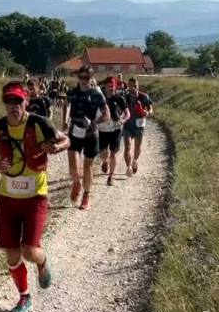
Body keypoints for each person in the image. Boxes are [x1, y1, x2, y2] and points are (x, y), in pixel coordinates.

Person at [0, 81, 69, 312]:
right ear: (4, 104)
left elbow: (65, 139)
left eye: (18, 101)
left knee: (29, 250)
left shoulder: (39, 123)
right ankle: (24, 296)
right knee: (12, 252)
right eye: (9, 101)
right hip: (6, 198)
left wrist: (57, 148)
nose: (13, 106)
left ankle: (42, 261)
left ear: (25, 101)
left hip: (35, 196)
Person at [61, 65, 110, 210]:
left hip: (91, 134)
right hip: (74, 131)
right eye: (80, 77)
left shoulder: (96, 94)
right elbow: (66, 105)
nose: (83, 80)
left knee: (88, 165)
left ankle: (86, 196)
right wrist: (64, 120)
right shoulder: (72, 92)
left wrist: (94, 121)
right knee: (73, 165)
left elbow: (106, 115)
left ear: (91, 78)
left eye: (86, 78)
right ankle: (76, 183)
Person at [98, 76, 128, 186]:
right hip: (102, 129)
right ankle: (104, 161)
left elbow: (127, 113)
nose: (110, 88)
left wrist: (122, 120)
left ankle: (111, 176)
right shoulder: (100, 99)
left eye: (112, 86)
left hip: (116, 129)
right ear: (105, 87)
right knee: (103, 152)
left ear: (115, 87)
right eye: (108, 86)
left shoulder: (120, 99)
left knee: (113, 152)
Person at [122, 76, 154, 175]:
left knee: (137, 145)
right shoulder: (124, 97)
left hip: (139, 125)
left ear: (138, 86)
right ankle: (128, 168)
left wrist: (147, 113)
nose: (133, 88)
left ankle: (134, 161)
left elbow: (150, 108)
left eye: (135, 86)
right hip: (127, 125)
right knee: (127, 145)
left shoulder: (143, 97)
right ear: (128, 86)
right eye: (131, 86)